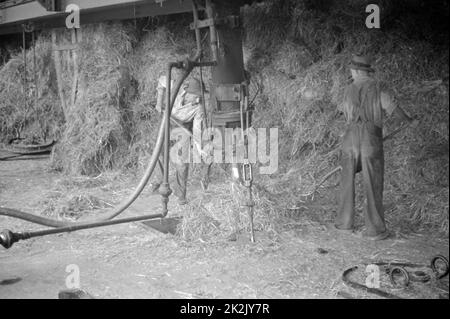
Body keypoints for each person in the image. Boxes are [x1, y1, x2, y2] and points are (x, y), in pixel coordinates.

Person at [335, 54, 417, 241]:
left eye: (351, 70)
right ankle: (374, 230)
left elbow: (343, 111)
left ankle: (344, 224)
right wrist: (408, 121)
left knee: (346, 182)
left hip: (349, 139)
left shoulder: (347, 90)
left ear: (356, 71)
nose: (350, 72)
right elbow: (394, 109)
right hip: (370, 140)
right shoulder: (379, 89)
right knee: (373, 183)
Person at [151, 75, 208, 205]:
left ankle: (180, 194)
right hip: (167, 120)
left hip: (183, 128)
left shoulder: (199, 108)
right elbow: (161, 80)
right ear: (188, 93)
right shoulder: (175, 87)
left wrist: (200, 148)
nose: (199, 98)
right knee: (159, 154)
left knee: (182, 162)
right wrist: (159, 102)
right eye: (197, 95)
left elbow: (198, 129)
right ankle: (158, 182)